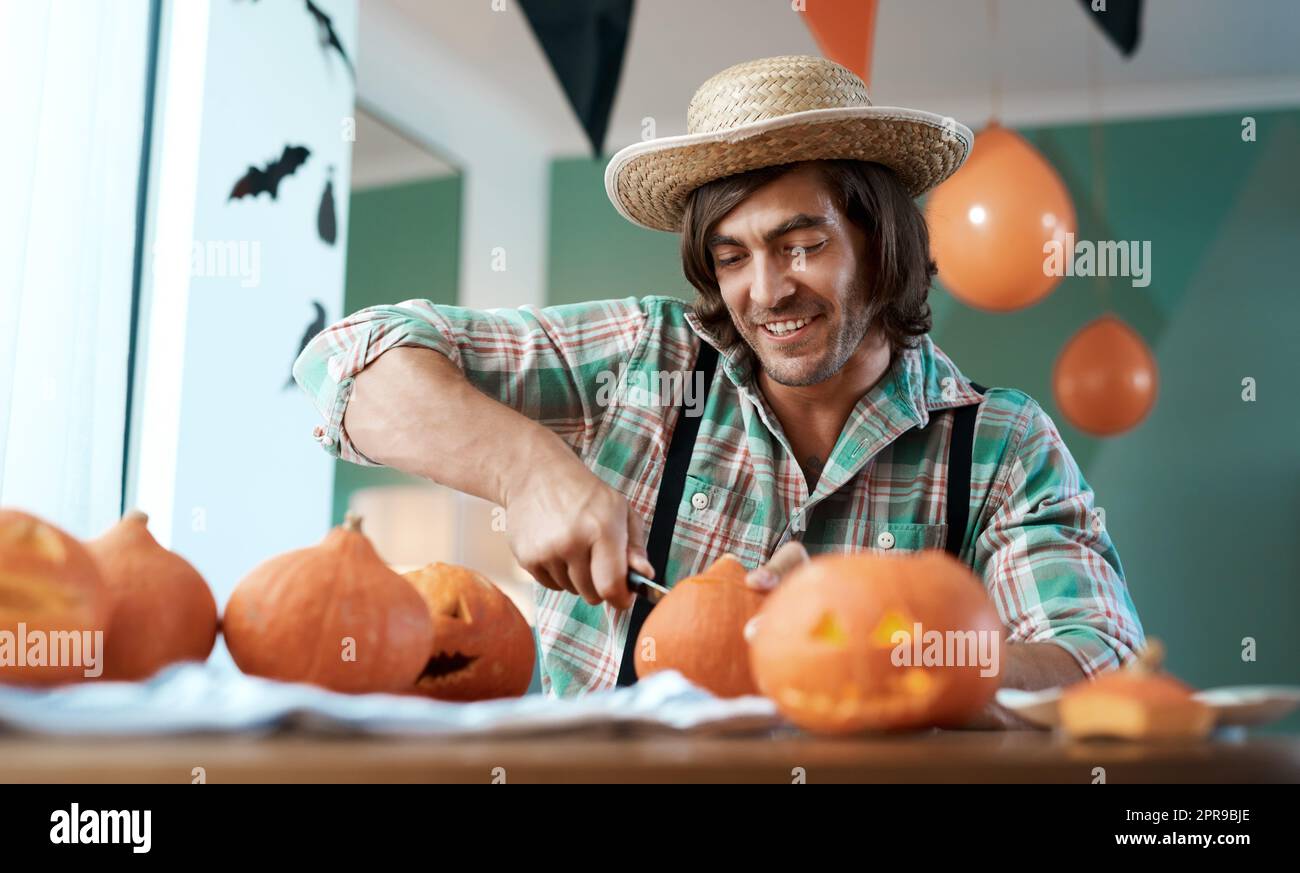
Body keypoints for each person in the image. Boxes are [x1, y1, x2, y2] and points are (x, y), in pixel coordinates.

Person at [293, 56, 1144, 719]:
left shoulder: (999, 444)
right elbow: (344, 361)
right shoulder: (642, 356)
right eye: (733, 256)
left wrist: (878, 638)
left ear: (880, 241)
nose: (765, 291)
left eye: (801, 242)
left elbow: (1097, 664)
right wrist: (524, 468)